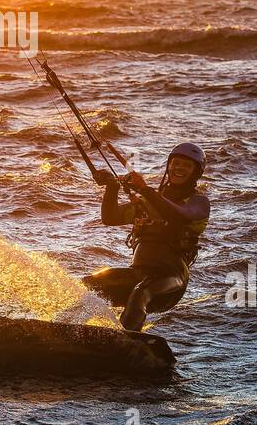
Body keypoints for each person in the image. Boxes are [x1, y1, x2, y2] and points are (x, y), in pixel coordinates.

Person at [83, 142, 210, 332]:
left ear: (196, 173)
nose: (179, 168)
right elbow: (110, 217)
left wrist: (144, 190)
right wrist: (112, 187)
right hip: (139, 273)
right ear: (168, 166)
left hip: (172, 278)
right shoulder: (149, 200)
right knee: (89, 284)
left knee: (141, 293)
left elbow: (180, 216)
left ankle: (126, 340)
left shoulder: (198, 202)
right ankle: (60, 328)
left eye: (187, 165)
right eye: (176, 163)